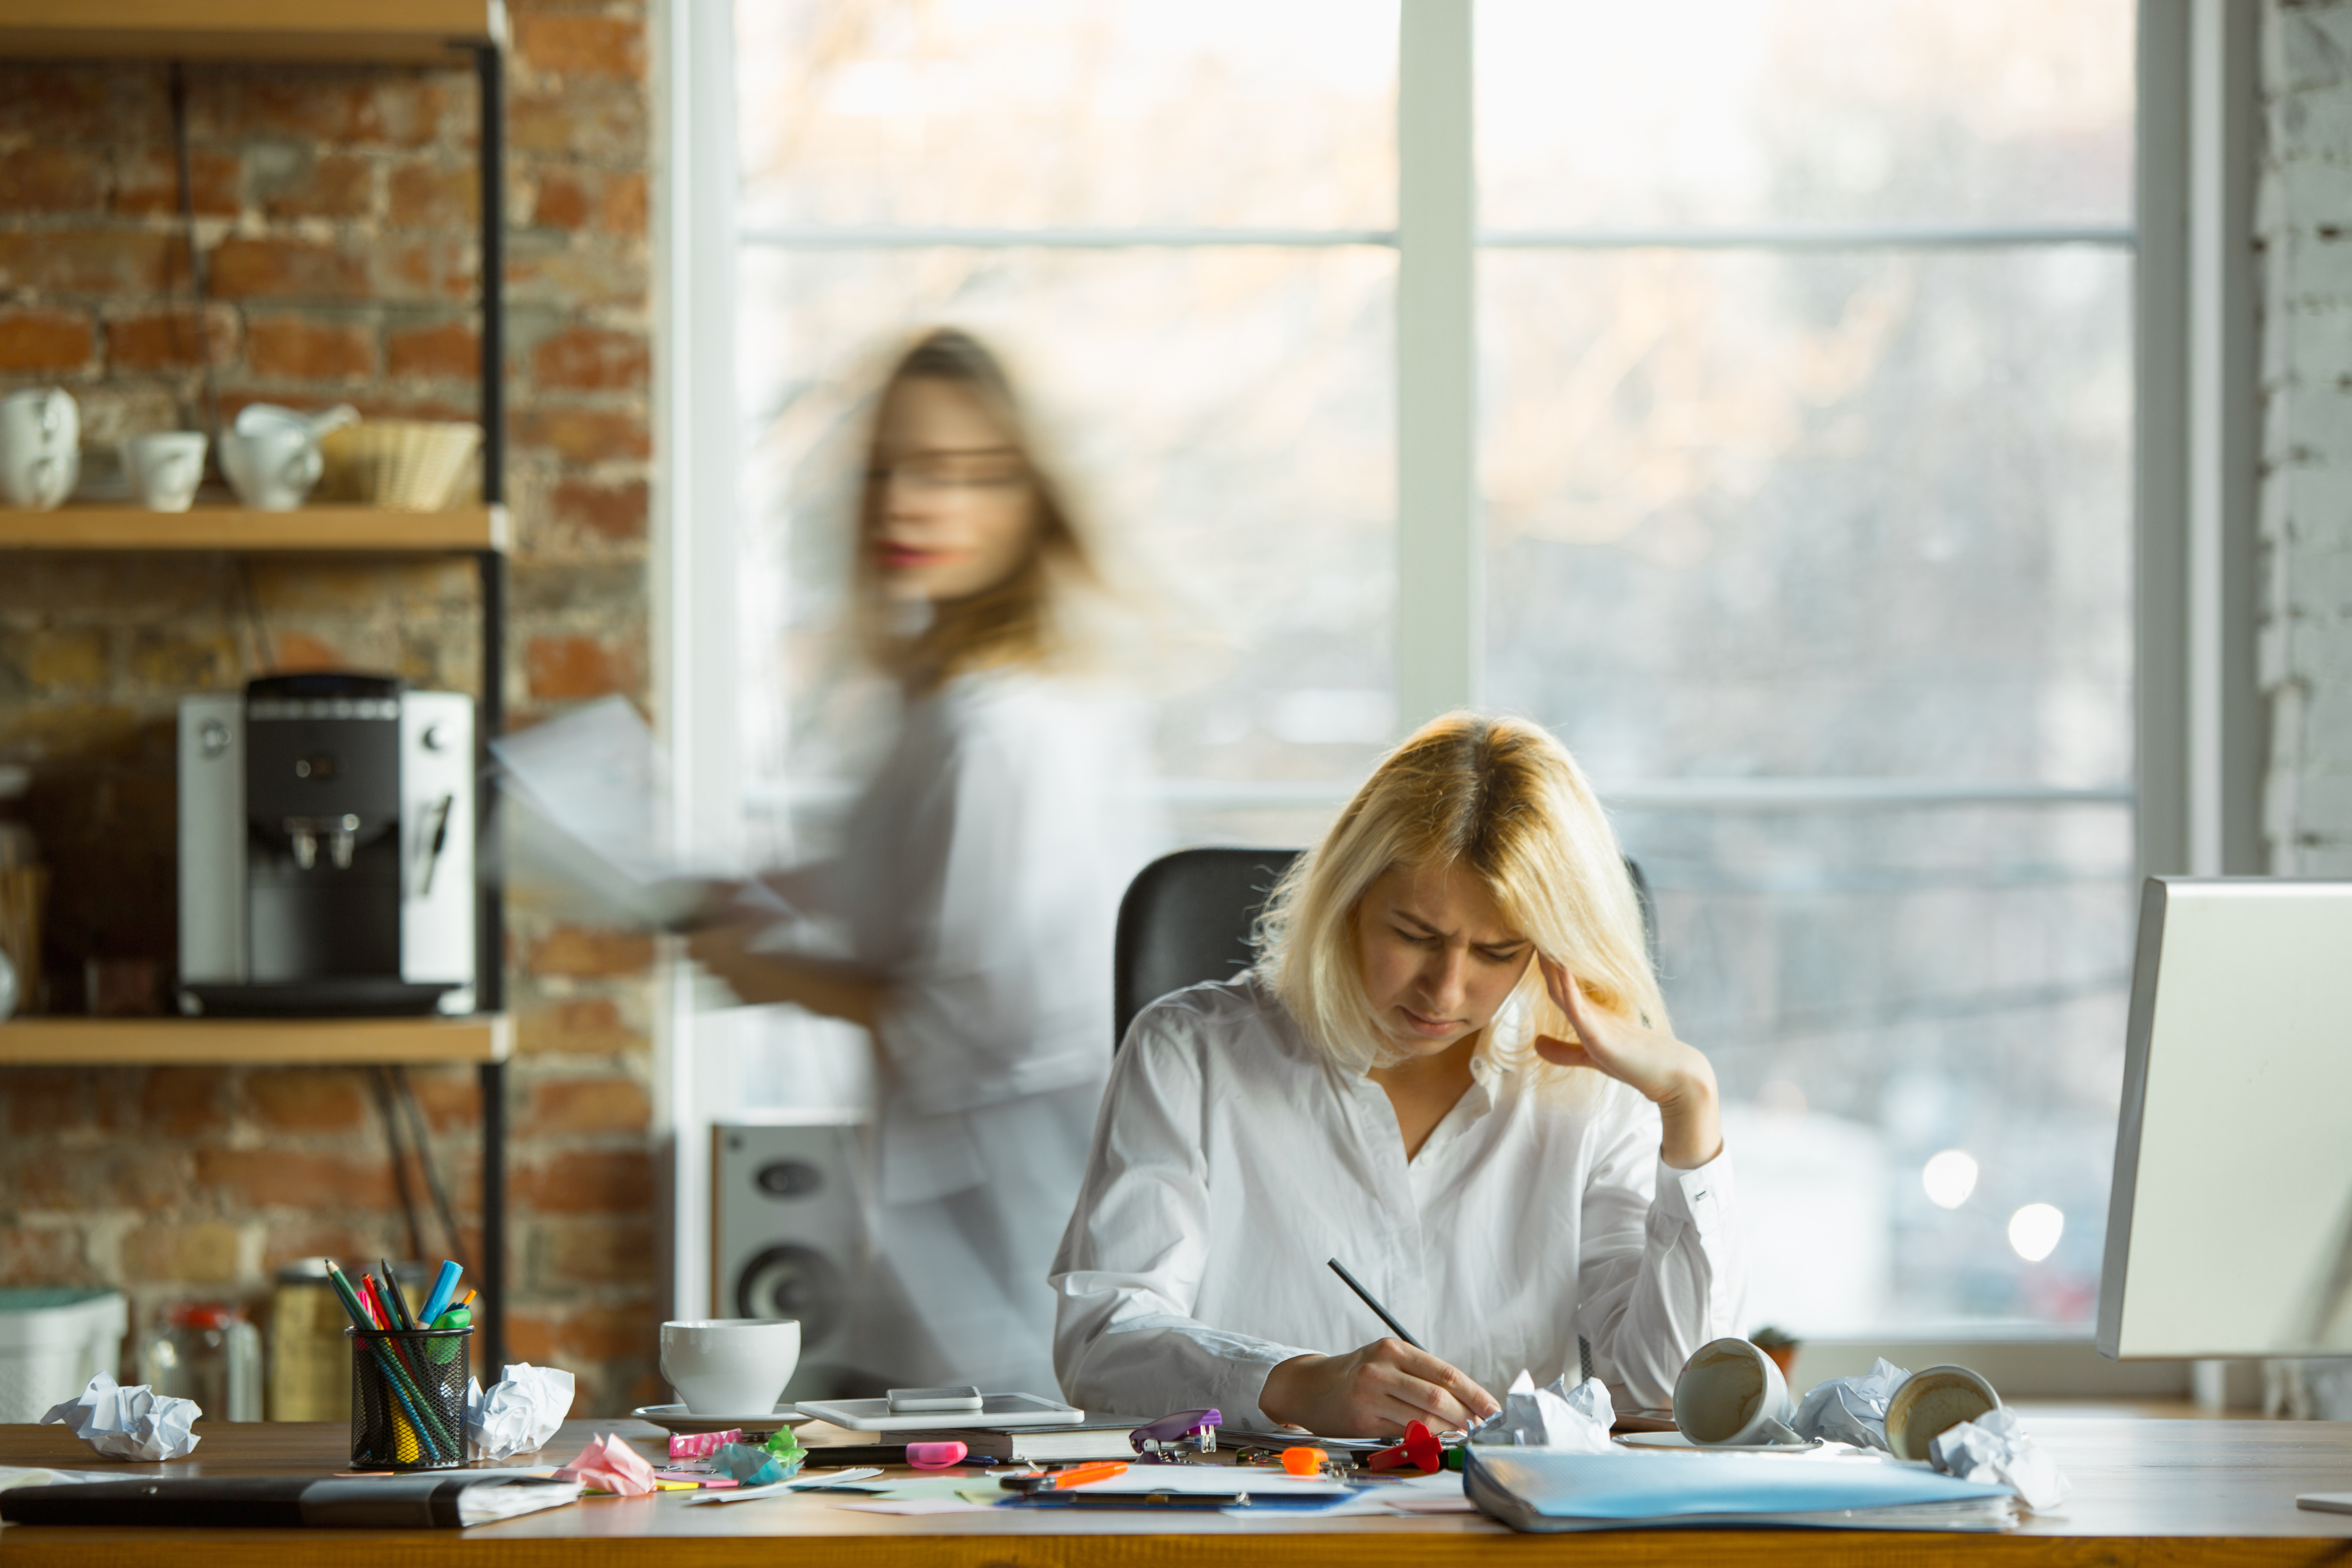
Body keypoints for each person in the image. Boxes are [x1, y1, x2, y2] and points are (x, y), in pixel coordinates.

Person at [1050, 713, 1745, 1433]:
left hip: (1498, 1504)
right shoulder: (1188, 1051)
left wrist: (1689, 1107)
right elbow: (1103, 1338)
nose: (1445, 991)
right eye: (1415, 935)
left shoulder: (1593, 1089)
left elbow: (1667, 1389)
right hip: (1258, 1498)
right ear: (1348, 901)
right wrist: (1291, 1383)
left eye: (1497, 952)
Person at [689, 328, 1151, 1397]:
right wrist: (768, 893)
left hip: (1018, 1233)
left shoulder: (1005, 727)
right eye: (887, 471)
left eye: (956, 473)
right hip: (941, 1238)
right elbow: (913, 874)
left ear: (1027, 499)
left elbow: (985, 1013)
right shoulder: (943, 701)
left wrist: (775, 972)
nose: (906, 505)